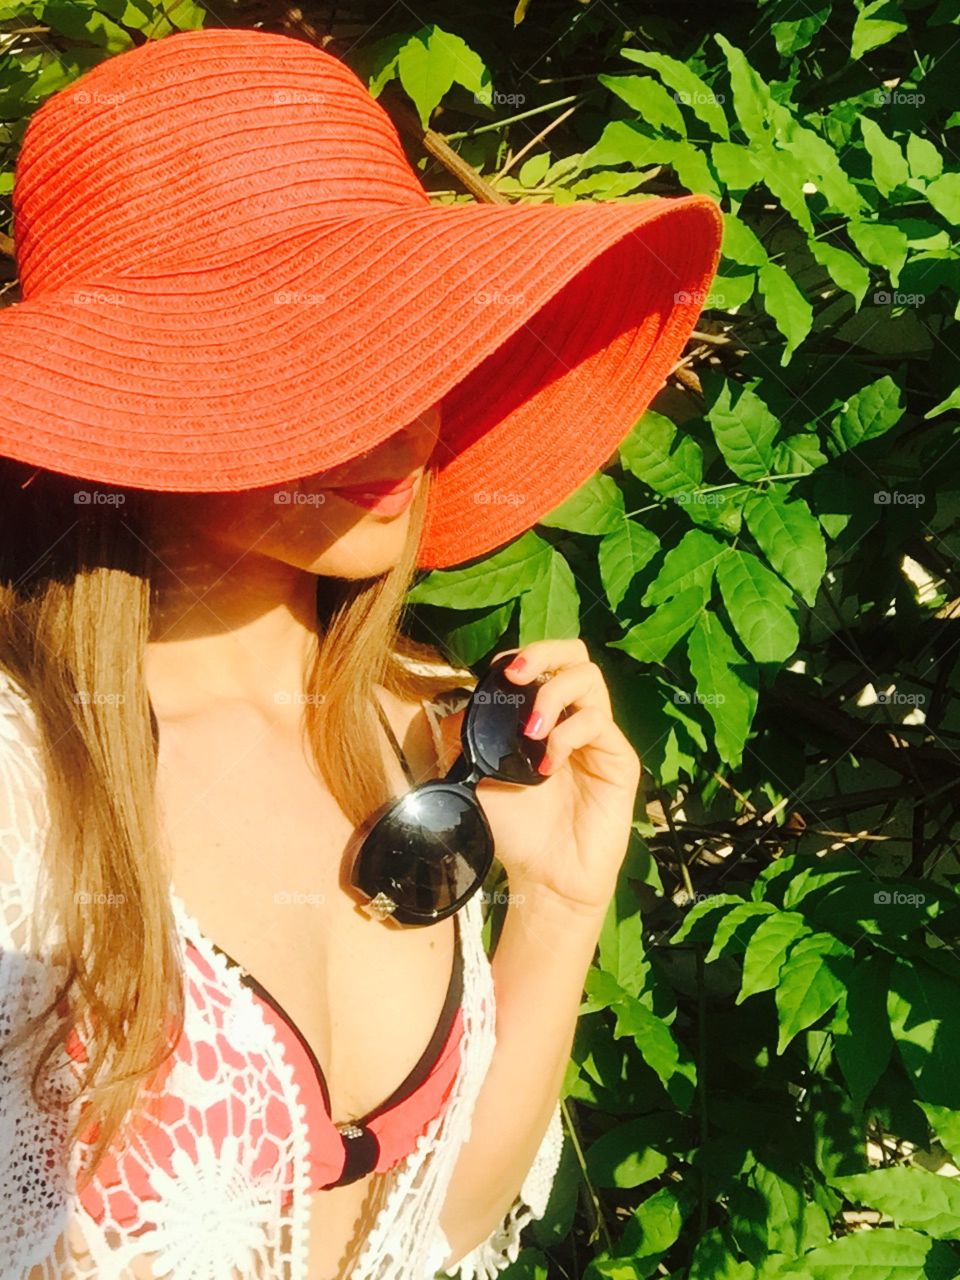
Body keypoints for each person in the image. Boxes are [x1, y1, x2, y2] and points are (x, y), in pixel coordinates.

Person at [0, 25, 723, 1280]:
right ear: (137, 400)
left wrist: (558, 907)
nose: (402, 414)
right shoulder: (25, 782)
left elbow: (433, 1224)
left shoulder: (413, 720)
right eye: (313, 354)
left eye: (411, 342)